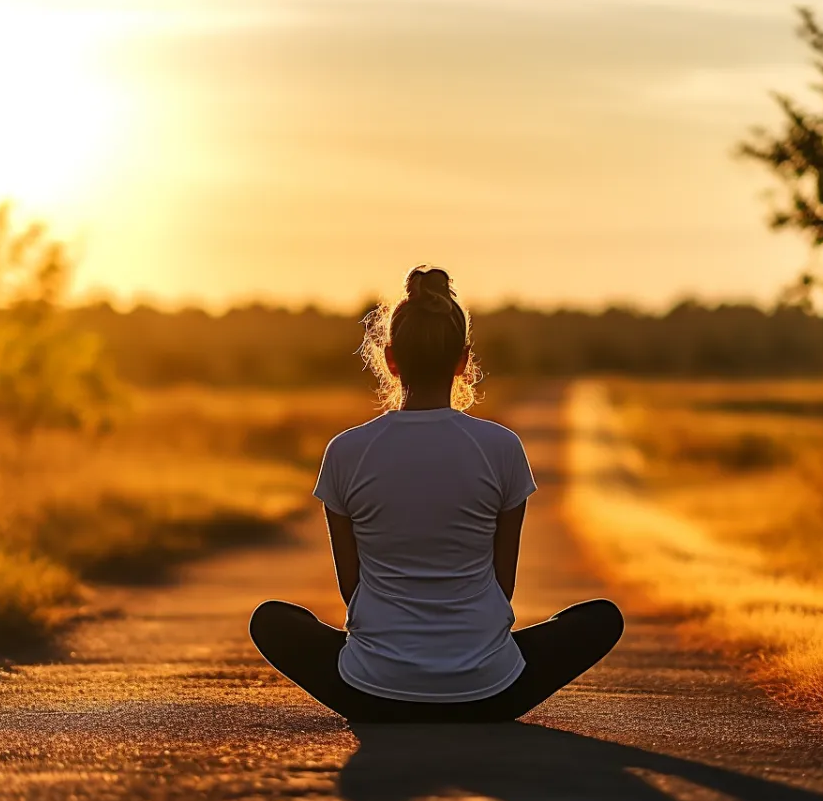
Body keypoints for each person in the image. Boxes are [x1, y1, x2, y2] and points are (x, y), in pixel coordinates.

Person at [249, 265, 623, 723]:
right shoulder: (502, 448)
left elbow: (354, 591)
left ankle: (397, 687)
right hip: (490, 691)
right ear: (463, 360)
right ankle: (469, 684)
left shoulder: (345, 452)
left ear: (389, 358)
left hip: (373, 691)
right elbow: (502, 586)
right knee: (601, 618)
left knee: (271, 620)